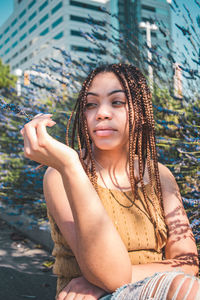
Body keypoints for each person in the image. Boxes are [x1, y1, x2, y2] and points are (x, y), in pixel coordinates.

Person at [21, 64, 199, 300]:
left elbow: (188, 262)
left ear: (140, 112)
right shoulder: (61, 175)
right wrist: (70, 165)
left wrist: (112, 280)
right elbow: (108, 273)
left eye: (117, 102)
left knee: (186, 286)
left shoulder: (160, 175)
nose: (101, 113)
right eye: (91, 105)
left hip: (161, 290)